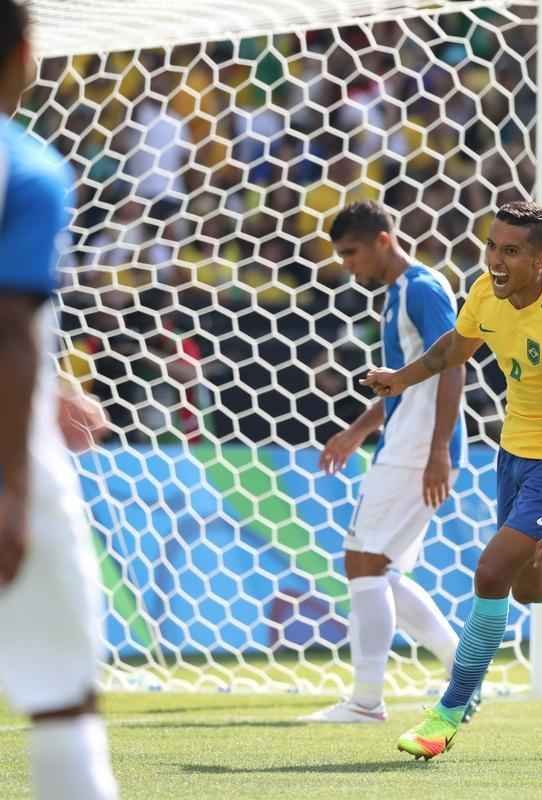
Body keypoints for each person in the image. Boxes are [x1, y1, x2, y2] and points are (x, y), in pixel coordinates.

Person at [361, 201, 542, 759]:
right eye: (492, 247)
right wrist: (400, 379)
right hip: (514, 452)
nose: (496, 262)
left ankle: (446, 715)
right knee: (530, 586)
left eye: (511, 252)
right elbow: (456, 348)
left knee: (492, 571)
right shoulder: (484, 292)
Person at [0, 1, 120, 797]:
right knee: (67, 702)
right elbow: (9, 330)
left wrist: (55, 386)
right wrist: (10, 488)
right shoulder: (27, 165)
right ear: (24, 50)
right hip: (13, 458)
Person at [299, 201, 473, 724]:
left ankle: (366, 703)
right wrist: (357, 430)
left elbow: (452, 362)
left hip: (419, 447)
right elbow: (407, 379)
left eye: (351, 253)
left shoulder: (421, 288)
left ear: (381, 239)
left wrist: (439, 449)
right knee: (383, 569)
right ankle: (462, 670)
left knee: (362, 561)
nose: (348, 265)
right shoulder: (398, 294)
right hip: (405, 440)